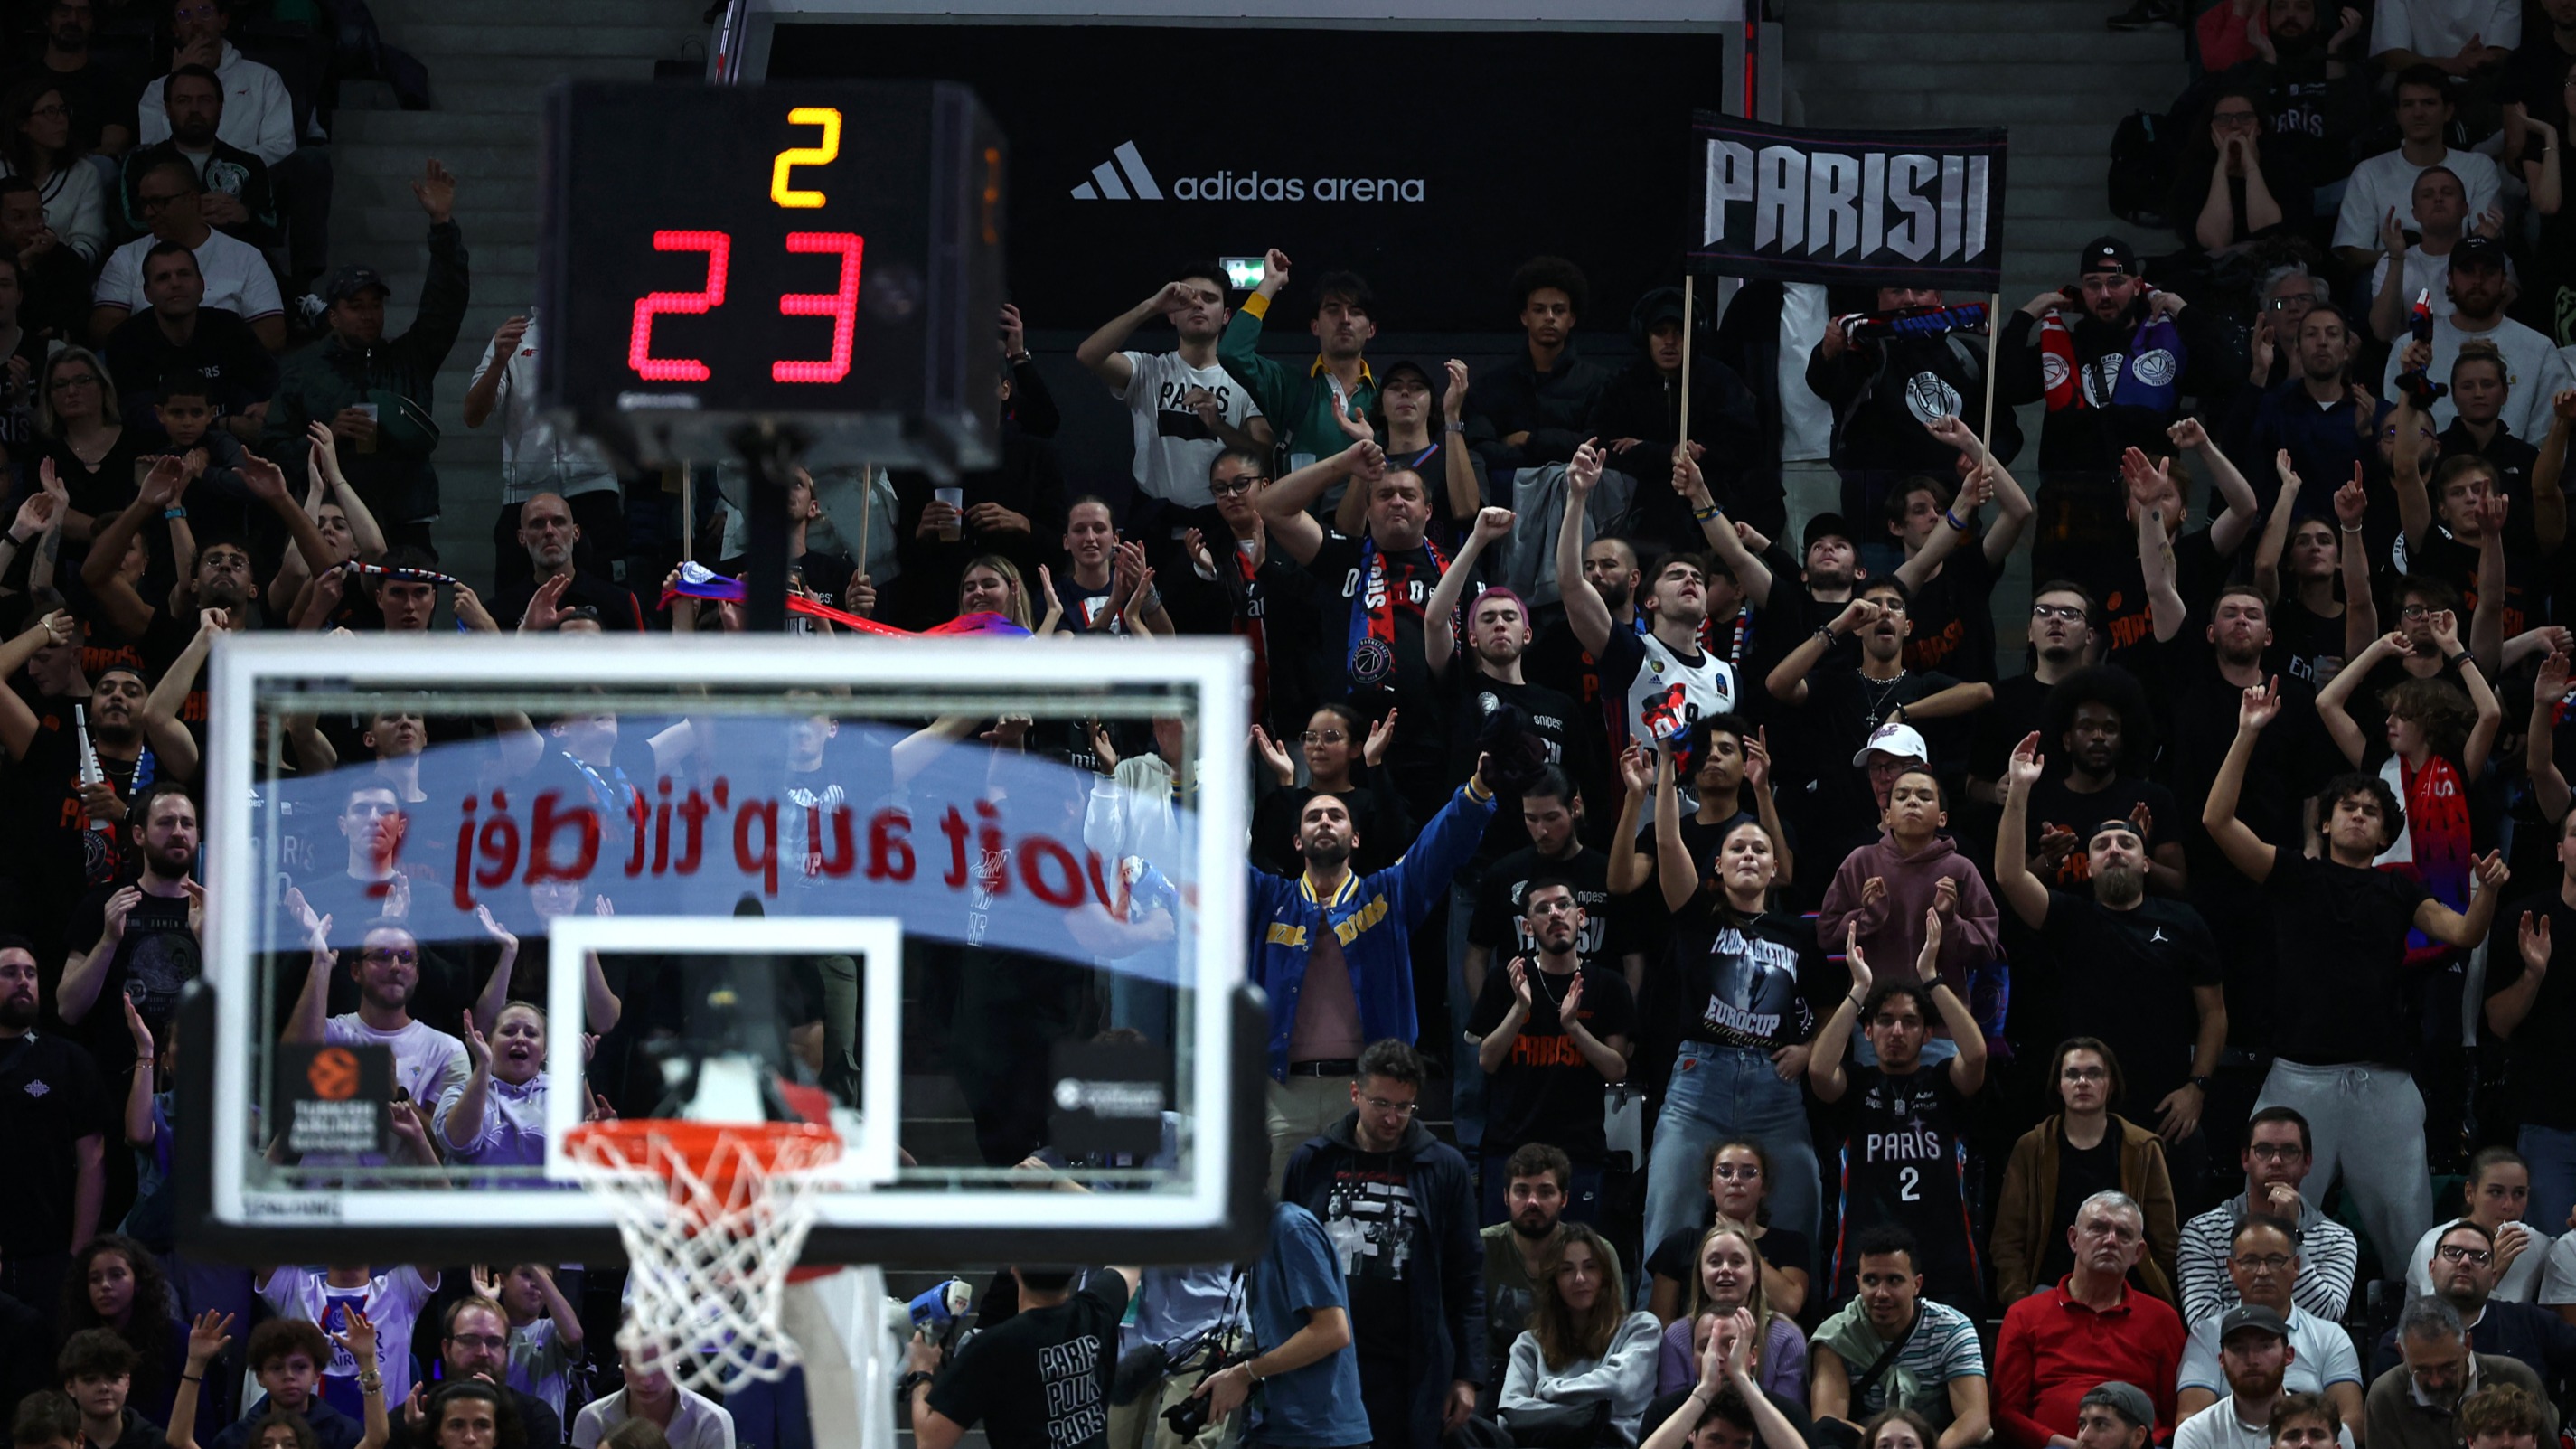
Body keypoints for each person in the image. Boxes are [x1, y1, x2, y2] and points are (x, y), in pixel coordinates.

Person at [2204, 675, 2508, 1275]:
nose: (2360, 816)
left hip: (2383, 1078)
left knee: (2413, 1237)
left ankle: (2421, 1345)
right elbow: (2217, 820)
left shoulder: (2400, 887)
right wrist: (2245, 734)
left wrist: (2489, 894)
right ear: (2326, 821)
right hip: (2297, 1074)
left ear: (2386, 832)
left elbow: (2465, 933)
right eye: (2349, 807)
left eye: (2372, 811)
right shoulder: (2294, 874)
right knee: (2269, 1232)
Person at [1249, 757, 1496, 1180]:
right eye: (1313, 816)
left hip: (1371, 1092)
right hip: (1283, 1094)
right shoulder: (1268, 898)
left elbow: (1439, 847)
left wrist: (1478, 789)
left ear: (1356, 838)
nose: (1325, 822)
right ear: (1296, 841)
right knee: (1285, 1229)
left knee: (1369, 1228)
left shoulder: (1387, 894)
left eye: (1336, 816)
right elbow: (1207, 865)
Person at [1995, 732, 2224, 1175]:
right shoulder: (2070, 917)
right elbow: (2008, 875)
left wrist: (2197, 1087)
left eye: (2127, 843)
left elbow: (2214, 1012)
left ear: (2145, 862)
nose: (2115, 848)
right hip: (2085, 1111)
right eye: (2102, 846)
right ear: (2089, 865)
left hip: (2165, 1112)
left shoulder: (2184, 921)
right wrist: (2020, 787)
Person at [1640, 741, 1834, 1260]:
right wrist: (1664, 765)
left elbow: (1829, 1009)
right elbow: (1665, 843)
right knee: (1669, 1219)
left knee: (1801, 1211)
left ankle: (1798, 1338)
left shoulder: (1797, 934)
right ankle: (1653, 1336)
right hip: (1698, 1083)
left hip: (1776, 1090)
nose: (1749, 854)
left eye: (1760, 849)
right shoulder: (1696, 915)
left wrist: (1811, 1049)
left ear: (1775, 869)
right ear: (1718, 868)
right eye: (1737, 849)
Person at [1280, 1039, 1484, 1449]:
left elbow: (1467, 1277)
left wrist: (1467, 1374)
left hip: (1409, 1364)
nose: (1393, 1118)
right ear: (1355, 1093)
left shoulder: (1443, 1167)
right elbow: (1284, 1267)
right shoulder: (1313, 1162)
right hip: (1326, 1361)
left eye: (1404, 1107)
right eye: (1381, 1104)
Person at [259, 161, 468, 547]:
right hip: (332, 520)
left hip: (406, 514)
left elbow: (445, 303)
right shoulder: (302, 373)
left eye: (376, 304)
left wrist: (443, 227)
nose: (369, 315)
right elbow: (273, 451)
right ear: (333, 316)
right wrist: (325, 440)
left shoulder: (409, 359)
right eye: (356, 306)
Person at [1810, 912, 1988, 1313]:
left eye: (1910, 1023)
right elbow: (1820, 1071)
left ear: (1927, 1034)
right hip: (1864, 1264)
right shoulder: (1856, 1085)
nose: (1896, 1032)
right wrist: (1858, 992)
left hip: (1945, 1263)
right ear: (1867, 1031)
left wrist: (1931, 976)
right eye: (1885, 1021)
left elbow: (1976, 1055)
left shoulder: (1943, 1081)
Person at [1467, 876, 1635, 1223]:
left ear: (1581, 916)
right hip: (1510, 1148)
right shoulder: (1506, 979)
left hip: (1579, 1150)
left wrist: (1573, 1026)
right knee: (1506, 1263)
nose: (1555, 914)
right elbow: (1487, 1060)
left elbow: (1617, 1069)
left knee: (1576, 1265)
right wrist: (1519, 1009)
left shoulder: (1608, 985)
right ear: (1528, 927)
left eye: (1563, 905)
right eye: (1543, 909)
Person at [1998, 238, 2228, 474]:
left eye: (2115, 282)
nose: (2104, 294)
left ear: (2137, 286)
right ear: (2082, 288)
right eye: (2093, 284)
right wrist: (2025, 316)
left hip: (2149, 501)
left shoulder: (2164, 349)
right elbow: (2009, 386)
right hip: (2071, 502)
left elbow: (2221, 377)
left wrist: (2183, 310)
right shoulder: (2061, 352)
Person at [1814, 765, 2003, 1052]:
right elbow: (1826, 934)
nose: (1912, 801)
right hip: (1874, 1027)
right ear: (1887, 815)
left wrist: (1949, 920)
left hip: (1942, 1029)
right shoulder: (1860, 862)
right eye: (1902, 796)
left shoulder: (1960, 868)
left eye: (1924, 796)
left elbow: (1985, 950)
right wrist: (1869, 916)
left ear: (1942, 818)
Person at [1991, 1040, 2185, 1305]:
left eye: (2094, 1073)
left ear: (2111, 1084)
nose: (2082, 1082)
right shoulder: (2032, 1147)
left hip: (2128, 1288)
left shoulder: (2142, 1148)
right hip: (2049, 1291)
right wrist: (2020, 1303)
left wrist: (2160, 1296)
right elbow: (2007, 1240)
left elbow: (2165, 1240)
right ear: (2059, 1085)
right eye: (2072, 1074)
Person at [1991, 1191, 2187, 1447]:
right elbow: (2005, 1413)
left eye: (2123, 1234)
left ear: (2138, 1253)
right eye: (2098, 1228)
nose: (2110, 1240)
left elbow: (2175, 1416)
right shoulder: (2024, 1314)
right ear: (2073, 1239)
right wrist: (2061, 1445)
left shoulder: (2162, 1318)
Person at [1076, 261, 1270, 517]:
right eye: (1188, 299)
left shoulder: (1246, 380)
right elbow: (1088, 355)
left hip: (1223, 517)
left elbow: (1266, 457)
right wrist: (1151, 307)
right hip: (1155, 517)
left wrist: (1220, 426)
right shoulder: (1148, 369)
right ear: (1172, 314)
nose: (1198, 304)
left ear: (1226, 316)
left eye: (1209, 298)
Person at [462, 311, 625, 599]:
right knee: (515, 605)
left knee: (604, 603)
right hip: (525, 497)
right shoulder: (515, 338)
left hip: (594, 492)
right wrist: (499, 361)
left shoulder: (611, 333)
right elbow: (473, 415)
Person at [1188, 1202, 1368, 1449]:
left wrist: (1244, 1374)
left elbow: (1332, 1331)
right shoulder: (1258, 1243)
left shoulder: (1291, 1228)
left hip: (1318, 1433)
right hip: (1274, 1426)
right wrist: (1235, 1374)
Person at [905, 1262, 1141, 1449]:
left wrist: (921, 1372)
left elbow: (930, 1440)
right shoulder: (1096, 1308)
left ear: (1014, 1269)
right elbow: (1130, 1258)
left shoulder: (992, 1348)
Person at [1806, 1226, 1991, 1449]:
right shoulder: (1835, 1336)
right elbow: (1828, 1422)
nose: (1881, 1293)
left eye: (1894, 1280)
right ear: (1858, 1283)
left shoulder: (1952, 1329)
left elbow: (1976, 1418)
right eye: (1871, 1281)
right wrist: (1887, 1443)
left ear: (1917, 1284)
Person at [2176, 1108, 2363, 1325]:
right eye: (2263, 1150)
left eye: (2290, 1151)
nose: (2276, 1161)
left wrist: (2291, 1233)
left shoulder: (2337, 1239)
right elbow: (2203, 1322)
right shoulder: (2202, 1232)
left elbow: (2325, 1318)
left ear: (2307, 1163)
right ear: (2245, 1159)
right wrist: (2282, 1312)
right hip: (2227, 1355)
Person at [2174, 1218, 2364, 1427]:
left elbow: (2352, 1424)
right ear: (2231, 1269)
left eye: (2275, 1260)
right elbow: (2189, 1421)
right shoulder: (2207, 1334)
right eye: (2250, 1261)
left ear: (2296, 1266)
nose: (2262, 1272)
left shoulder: (2330, 1336)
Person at [2380, 240, 2573, 444]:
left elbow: (2546, 441)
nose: (2478, 280)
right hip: (2430, 471)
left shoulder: (2540, 350)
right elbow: (2395, 433)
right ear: (2450, 279)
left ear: (2503, 281)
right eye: (2467, 271)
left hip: (2516, 471)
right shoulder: (2411, 348)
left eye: (2488, 272)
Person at [0, 936, 105, 1316]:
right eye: (9, 973)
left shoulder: (67, 1061)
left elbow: (92, 1161)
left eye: (30, 973)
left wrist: (77, 1255)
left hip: (49, 1256)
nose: (23, 981)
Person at [88, 160, 281, 353]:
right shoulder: (125, 257)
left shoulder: (246, 257)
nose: (148, 213)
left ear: (193, 200)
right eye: (144, 204)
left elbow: (272, 336)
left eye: (159, 202)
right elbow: (105, 331)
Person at [2489, 813, 2576, 1236]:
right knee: (2554, 1257)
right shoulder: (2526, 920)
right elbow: (2498, 1024)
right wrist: (2533, 976)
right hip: (2548, 1123)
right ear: (2560, 849)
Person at [1498, 1222, 1662, 1442]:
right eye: (1567, 1269)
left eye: (1590, 1267)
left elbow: (1620, 1389)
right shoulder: (1528, 1344)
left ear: (1604, 1275)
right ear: (1553, 1280)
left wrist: (1547, 1390)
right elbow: (1509, 1415)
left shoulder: (1641, 1328)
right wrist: (1592, 1409)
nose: (1580, 1279)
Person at [2333, 67, 2505, 274]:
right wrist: (2405, 258)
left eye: (2428, 103)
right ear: (2397, 114)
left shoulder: (2478, 167)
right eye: (2408, 104)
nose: (2418, 113)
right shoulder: (2369, 172)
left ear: (2448, 111)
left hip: (2461, 275)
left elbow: (2484, 237)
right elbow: (2354, 253)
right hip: (2391, 276)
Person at [1217, 249, 1379, 471]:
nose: (1345, 320)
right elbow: (1231, 352)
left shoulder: (1387, 393)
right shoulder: (1289, 385)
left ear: (1371, 329)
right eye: (1333, 310)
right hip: (1300, 507)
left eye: (1356, 311)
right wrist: (1270, 283)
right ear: (1315, 326)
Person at [100, 244, 276, 445]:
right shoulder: (126, 339)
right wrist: (222, 424)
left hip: (237, 447)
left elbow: (270, 387)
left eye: (184, 274)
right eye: (163, 277)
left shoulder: (230, 327)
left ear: (201, 286)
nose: (175, 283)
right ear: (147, 293)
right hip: (160, 452)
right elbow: (139, 419)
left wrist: (265, 409)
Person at [2366, 1218, 2576, 1384]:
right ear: (2432, 1268)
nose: (2465, 1262)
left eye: (2479, 1257)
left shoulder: (2532, 1324)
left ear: (2493, 1274)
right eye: (2453, 1253)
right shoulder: (2400, 1343)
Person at [1463, 256, 1609, 476]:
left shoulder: (1598, 382)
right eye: (1539, 310)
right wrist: (1534, 456)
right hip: (1507, 498)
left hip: (1578, 494)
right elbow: (1478, 447)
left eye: (1559, 310)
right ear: (1524, 317)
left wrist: (1530, 440)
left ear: (1572, 318)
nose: (1549, 318)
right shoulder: (1492, 386)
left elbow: (1598, 444)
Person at [1644, 1141, 1815, 1327]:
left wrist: (1741, 1240)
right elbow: (1658, 1328)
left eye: (1749, 1173)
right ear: (1711, 1185)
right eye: (1724, 1172)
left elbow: (1789, 1304)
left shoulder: (1790, 1243)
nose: (1735, 1180)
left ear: (1764, 1187)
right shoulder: (1680, 1243)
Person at [2360, 1298, 2555, 1449]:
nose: (2436, 1381)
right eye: (2423, 1370)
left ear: (2467, 1345)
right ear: (2402, 1353)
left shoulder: (2515, 1377)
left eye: (2448, 1367)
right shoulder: (2385, 1397)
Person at [118, 65, 275, 249]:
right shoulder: (142, 163)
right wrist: (187, 219)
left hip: (235, 266)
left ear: (220, 107)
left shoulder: (249, 164)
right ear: (168, 109)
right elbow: (128, 226)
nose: (194, 109)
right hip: (162, 263)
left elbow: (272, 228)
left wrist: (246, 216)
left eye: (205, 100)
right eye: (183, 101)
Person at [1655, 1225, 1806, 1405]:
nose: (1725, 1269)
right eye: (1714, 1262)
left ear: (1755, 1275)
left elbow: (1789, 1419)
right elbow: (1669, 1414)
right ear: (1700, 1273)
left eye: (1736, 1262)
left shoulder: (1787, 1336)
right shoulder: (1677, 1336)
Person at [135, 0, 294, 168]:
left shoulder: (264, 79)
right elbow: (153, 155)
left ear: (223, 21)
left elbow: (281, 148)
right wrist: (179, 80)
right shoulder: (156, 91)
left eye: (205, 12)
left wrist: (223, 170)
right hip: (180, 187)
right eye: (185, 15)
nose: (196, 22)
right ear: (175, 30)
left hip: (246, 184)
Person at [384, 1297, 559, 1449]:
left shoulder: (536, 1419)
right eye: (469, 1340)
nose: (483, 1352)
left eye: (493, 1342)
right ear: (446, 1349)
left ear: (506, 1351)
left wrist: (506, 1424)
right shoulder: (410, 1420)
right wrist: (420, 1438)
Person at [2367, 167, 2505, 341]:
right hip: (2416, 361)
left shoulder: (2490, 255)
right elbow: (2382, 331)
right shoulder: (2391, 261)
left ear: (2465, 209)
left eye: (2447, 193)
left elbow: (2506, 314)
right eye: (2427, 195)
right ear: (2415, 214)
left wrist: (2484, 250)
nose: (2438, 199)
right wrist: (2396, 259)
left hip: (2478, 353)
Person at [2403, 1151, 2551, 1301]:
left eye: (2519, 1193)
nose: (2508, 1205)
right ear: (2470, 1193)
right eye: (2496, 1192)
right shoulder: (2436, 1244)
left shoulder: (2536, 1244)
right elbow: (2443, 1319)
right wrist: (2493, 1270)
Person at [1482, 1143, 1574, 1378]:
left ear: (1564, 1199)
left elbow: (1611, 1335)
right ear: (1506, 1197)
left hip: (1569, 1374)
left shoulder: (1592, 1254)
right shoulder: (1481, 1248)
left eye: (1545, 1192)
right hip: (1492, 1375)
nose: (1532, 1202)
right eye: (1522, 1191)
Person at [204, 1316, 365, 1449]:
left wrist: (368, 1359)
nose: (289, 1376)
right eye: (276, 1368)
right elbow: (181, 1440)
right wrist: (195, 1363)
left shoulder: (345, 1433)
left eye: (300, 1367)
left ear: (317, 1373)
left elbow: (378, 1438)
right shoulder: (235, 1438)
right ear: (260, 1377)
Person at [493, 492, 643, 633]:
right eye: (538, 524)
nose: (549, 531)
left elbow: (641, 659)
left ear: (575, 533)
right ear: (522, 538)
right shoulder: (500, 611)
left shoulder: (618, 602)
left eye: (559, 522)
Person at [0, 78, 108, 266]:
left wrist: (50, 255)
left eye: (63, 110)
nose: (61, 120)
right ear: (22, 123)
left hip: (57, 280)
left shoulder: (84, 173)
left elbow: (88, 246)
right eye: (49, 111)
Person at [569, 1346, 733, 1449]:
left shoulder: (712, 1421)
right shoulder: (592, 1419)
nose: (646, 1380)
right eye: (633, 1364)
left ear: (676, 1359)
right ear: (621, 1359)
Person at [56, 1330, 156, 1449]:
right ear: (70, 1387)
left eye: (114, 1378)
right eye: (90, 1380)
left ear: (127, 1383)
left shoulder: (156, 1443)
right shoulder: (56, 1441)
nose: (103, 1388)